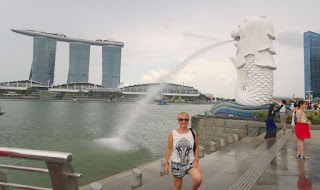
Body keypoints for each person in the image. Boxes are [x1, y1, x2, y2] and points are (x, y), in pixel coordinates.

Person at [165, 112, 202, 190]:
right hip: (177, 164)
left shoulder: (193, 132)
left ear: (188, 121)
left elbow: (197, 147)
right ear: (178, 121)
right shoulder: (173, 133)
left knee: (198, 179)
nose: (183, 121)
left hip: (190, 162)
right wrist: (166, 164)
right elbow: (169, 148)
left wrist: (196, 160)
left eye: (186, 119)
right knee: (177, 187)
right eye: (181, 119)